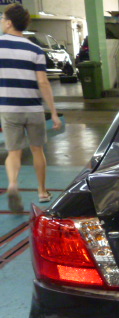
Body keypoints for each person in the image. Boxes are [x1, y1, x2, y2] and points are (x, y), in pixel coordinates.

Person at [0, 4, 61, 213]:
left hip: (9, 108)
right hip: (33, 109)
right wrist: (53, 113)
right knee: (37, 150)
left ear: (9, 23)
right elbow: (43, 83)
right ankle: (42, 191)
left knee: (14, 152)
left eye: (3, 18)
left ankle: (13, 185)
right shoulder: (35, 50)